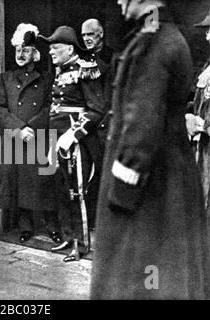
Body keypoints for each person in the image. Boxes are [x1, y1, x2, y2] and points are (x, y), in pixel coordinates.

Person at [91, 0, 210, 299]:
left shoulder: (151, 42)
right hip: (169, 181)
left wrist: (120, 195)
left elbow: (141, 126)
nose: (119, 1)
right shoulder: (167, 35)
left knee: (140, 281)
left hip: (149, 190)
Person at [40, 26, 106, 262]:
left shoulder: (85, 70)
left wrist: (73, 134)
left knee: (77, 192)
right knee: (61, 189)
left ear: (69, 48)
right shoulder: (61, 70)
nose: (51, 53)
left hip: (76, 142)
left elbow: (97, 109)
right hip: (57, 139)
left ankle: (82, 244)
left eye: (55, 48)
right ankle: (69, 237)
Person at [0, 23, 62, 245]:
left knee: (44, 183)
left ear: (35, 53)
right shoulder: (4, 79)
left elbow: (51, 107)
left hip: (39, 138)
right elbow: (0, 110)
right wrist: (19, 129)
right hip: (15, 139)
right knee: (20, 184)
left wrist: (33, 127)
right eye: (17, 50)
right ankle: (25, 226)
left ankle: (52, 226)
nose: (20, 55)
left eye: (25, 50)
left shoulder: (46, 79)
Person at [185, 9, 210, 216]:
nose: (207, 36)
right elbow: (198, 101)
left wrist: (204, 125)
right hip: (204, 147)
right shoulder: (207, 67)